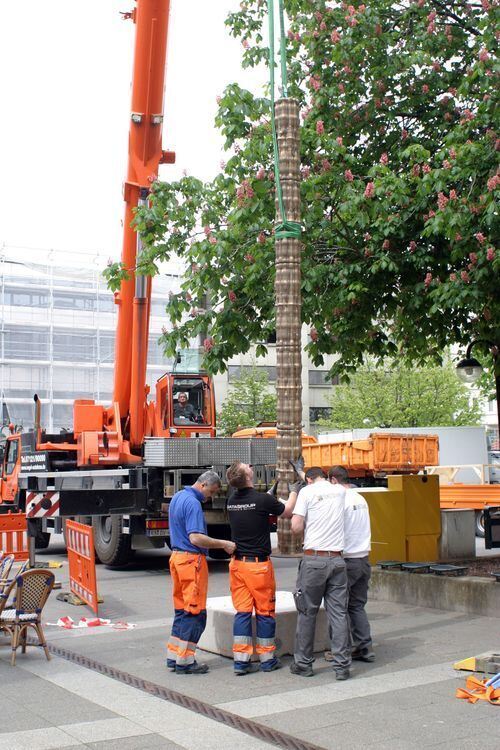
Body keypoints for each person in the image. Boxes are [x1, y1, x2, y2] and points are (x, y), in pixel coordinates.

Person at [226, 462, 299, 675]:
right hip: (258, 567)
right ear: (248, 477)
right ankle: (267, 660)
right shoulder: (262, 500)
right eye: (247, 467)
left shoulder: (232, 501)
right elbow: (287, 511)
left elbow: (253, 505)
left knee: (242, 612)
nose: (249, 466)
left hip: (238, 566)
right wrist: (294, 491)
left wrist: (270, 493)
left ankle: (241, 661)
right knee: (265, 612)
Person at [167, 470, 236, 674]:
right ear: (204, 485)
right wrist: (224, 544)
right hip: (191, 561)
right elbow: (196, 537)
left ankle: (174, 656)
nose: (211, 497)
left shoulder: (178, 496)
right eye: (212, 492)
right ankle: (185, 661)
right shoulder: (193, 503)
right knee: (195, 613)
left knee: (181, 611)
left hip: (177, 559)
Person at [290, 466, 351, 680]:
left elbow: (296, 527)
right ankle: (342, 666)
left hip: (314, 559)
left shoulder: (306, 492)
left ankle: (303, 664)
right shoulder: (341, 492)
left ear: (308, 479)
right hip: (337, 559)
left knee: (307, 612)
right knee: (339, 613)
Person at [328, 465, 374, 663]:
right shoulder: (359, 498)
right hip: (364, 559)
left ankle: (341, 650)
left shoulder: (340, 500)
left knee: (337, 608)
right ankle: (366, 648)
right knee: (357, 606)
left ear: (334, 481)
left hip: (347, 561)